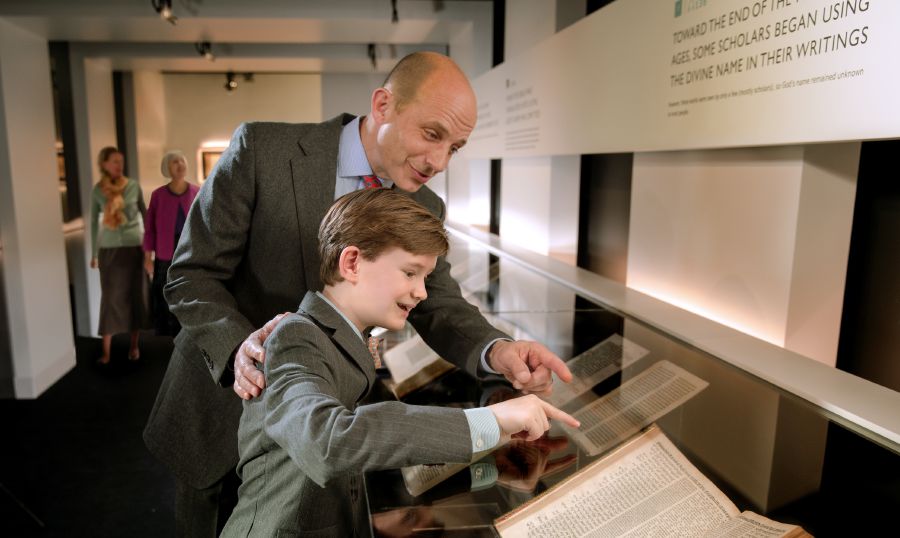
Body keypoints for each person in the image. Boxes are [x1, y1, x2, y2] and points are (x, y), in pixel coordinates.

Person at [143, 51, 574, 538]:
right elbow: (191, 275)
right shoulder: (262, 149)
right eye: (432, 134)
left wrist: (498, 350)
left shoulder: (426, 204)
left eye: (454, 148)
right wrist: (241, 348)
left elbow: (438, 301)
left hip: (328, 429)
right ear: (383, 104)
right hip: (222, 404)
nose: (438, 162)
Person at [220, 188, 580, 537]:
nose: (421, 292)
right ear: (352, 263)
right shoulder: (295, 337)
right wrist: (491, 420)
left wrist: (491, 466)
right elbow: (328, 442)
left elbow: (381, 455)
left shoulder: (346, 337)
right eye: (410, 273)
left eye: (425, 277)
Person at [89, 146, 150, 365]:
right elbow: (93, 224)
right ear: (104, 164)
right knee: (111, 299)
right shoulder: (98, 191)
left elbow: (146, 218)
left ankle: (134, 346)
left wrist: (148, 253)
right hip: (109, 251)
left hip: (134, 249)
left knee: (135, 296)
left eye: (121, 161)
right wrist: (94, 254)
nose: (119, 165)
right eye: (114, 161)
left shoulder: (133, 186)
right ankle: (106, 351)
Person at [142, 151, 199, 336]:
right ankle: (163, 328)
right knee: (162, 288)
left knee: (187, 286)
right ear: (167, 168)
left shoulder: (196, 192)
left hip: (188, 248)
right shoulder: (158, 195)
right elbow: (149, 228)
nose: (180, 164)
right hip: (165, 249)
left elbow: (203, 224)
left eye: (182, 161)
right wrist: (147, 257)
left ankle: (185, 327)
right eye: (175, 162)